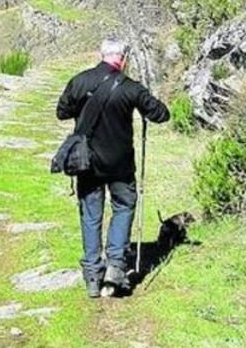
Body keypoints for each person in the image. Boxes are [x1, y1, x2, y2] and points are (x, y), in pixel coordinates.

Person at [56, 38, 170, 298]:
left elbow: (62, 112)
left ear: (101, 54)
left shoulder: (80, 81)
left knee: (90, 214)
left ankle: (93, 277)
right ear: (124, 58)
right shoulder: (131, 88)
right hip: (120, 163)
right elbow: (161, 114)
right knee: (124, 206)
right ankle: (116, 267)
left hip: (87, 163)